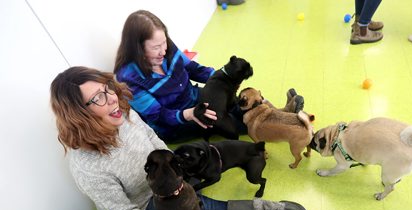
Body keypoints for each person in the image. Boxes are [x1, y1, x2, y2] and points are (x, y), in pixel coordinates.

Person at [50, 66, 310, 210]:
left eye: (108, 89)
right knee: (199, 206)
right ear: (78, 114)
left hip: (165, 172)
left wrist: (175, 166)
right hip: (144, 201)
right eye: (98, 98)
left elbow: (152, 138)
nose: (112, 98)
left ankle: (282, 116)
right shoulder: (87, 166)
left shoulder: (123, 114)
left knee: (212, 154)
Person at [114, 10, 304, 144]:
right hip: (176, 120)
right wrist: (188, 114)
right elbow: (159, 115)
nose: (164, 50)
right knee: (243, 122)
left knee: (242, 103)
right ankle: (285, 123)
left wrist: (223, 78)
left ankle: (283, 112)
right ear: (137, 47)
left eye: (164, 43)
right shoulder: (128, 78)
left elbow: (194, 69)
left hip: (196, 97)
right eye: (156, 47)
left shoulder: (168, 49)